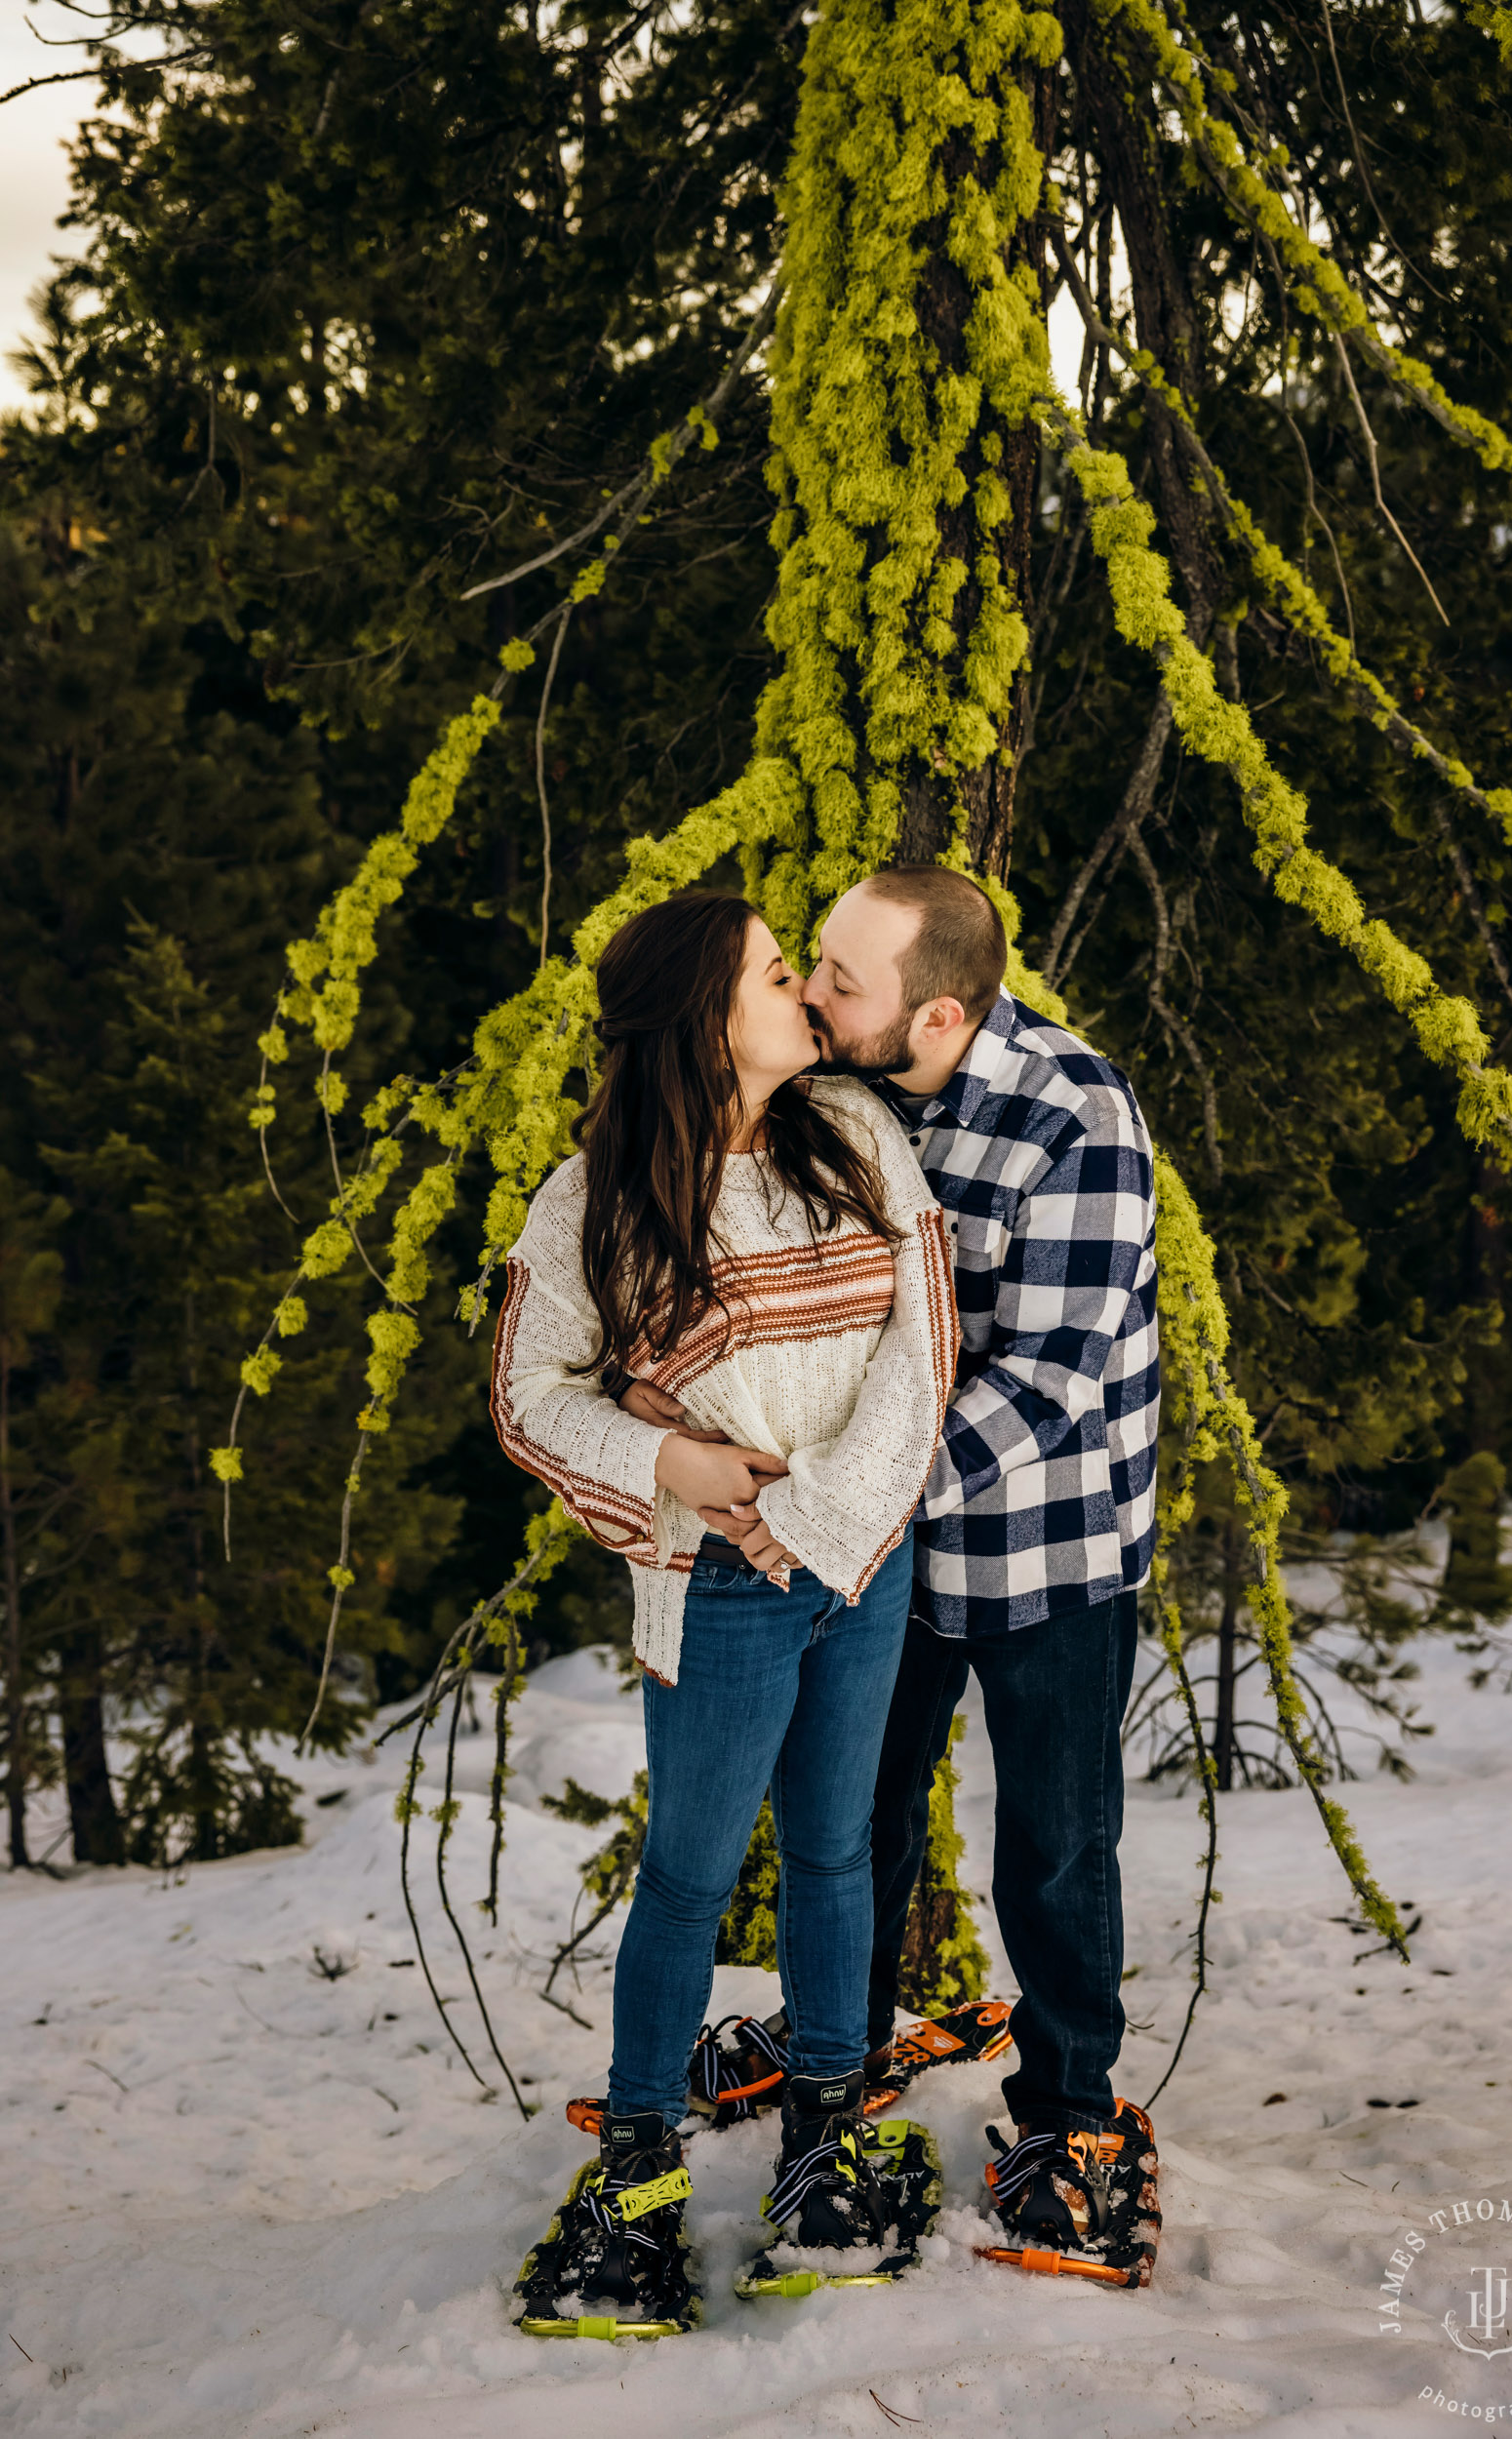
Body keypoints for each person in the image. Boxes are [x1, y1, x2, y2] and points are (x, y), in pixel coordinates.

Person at [624, 865, 1162, 2287]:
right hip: (879, 1552)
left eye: (840, 982)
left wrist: (818, 1503)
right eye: (806, 966)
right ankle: (833, 2061)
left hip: (1048, 1544)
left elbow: (1048, 1380)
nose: (809, 991)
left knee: (1053, 1844)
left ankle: (1068, 2111)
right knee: (852, 1817)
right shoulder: (846, 1096)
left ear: (935, 1010)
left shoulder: (1075, 1118)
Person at [490, 890, 956, 2333]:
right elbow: (526, 1390)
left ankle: (827, 2133)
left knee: (834, 1855)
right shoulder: (598, 1200)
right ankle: (636, 2167)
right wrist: (670, 1461)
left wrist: (824, 1524)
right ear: (707, 1018)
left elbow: (921, 1333)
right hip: (713, 1588)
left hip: (853, 1571)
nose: (805, 996)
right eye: (774, 974)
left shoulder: (859, 1139)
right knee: (689, 1877)